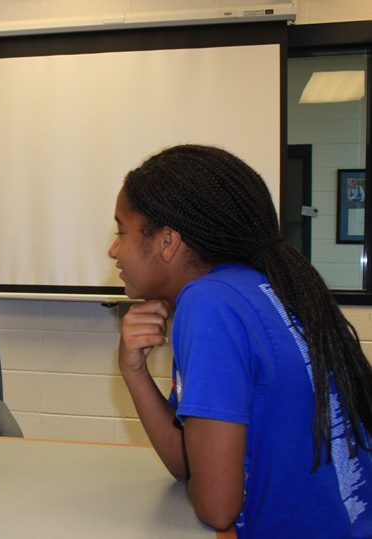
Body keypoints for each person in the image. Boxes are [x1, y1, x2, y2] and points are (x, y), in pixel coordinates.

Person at [110, 144, 372, 537]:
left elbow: (217, 507)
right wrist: (134, 371)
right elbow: (188, 465)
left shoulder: (208, 304)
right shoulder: (258, 285)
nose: (114, 250)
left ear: (167, 241)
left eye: (122, 230)